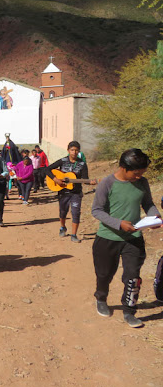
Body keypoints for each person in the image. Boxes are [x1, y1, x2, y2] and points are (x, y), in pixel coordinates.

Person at [91, 148, 161, 328]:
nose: (139, 177)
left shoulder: (142, 183)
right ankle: (101, 298)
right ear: (123, 167)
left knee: (133, 277)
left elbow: (148, 204)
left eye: (142, 173)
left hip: (133, 238)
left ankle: (129, 311)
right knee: (104, 274)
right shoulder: (107, 183)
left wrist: (155, 217)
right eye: (136, 173)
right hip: (108, 238)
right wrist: (118, 223)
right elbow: (97, 210)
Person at [45, 141, 96, 243]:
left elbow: (85, 179)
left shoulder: (82, 164)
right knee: (63, 212)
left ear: (79, 151)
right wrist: (55, 179)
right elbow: (47, 169)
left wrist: (90, 182)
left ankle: (74, 234)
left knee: (76, 212)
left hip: (76, 193)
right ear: (68, 150)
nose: (74, 152)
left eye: (76, 150)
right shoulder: (63, 161)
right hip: (63, 192)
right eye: (72, 150)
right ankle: (62, 227)